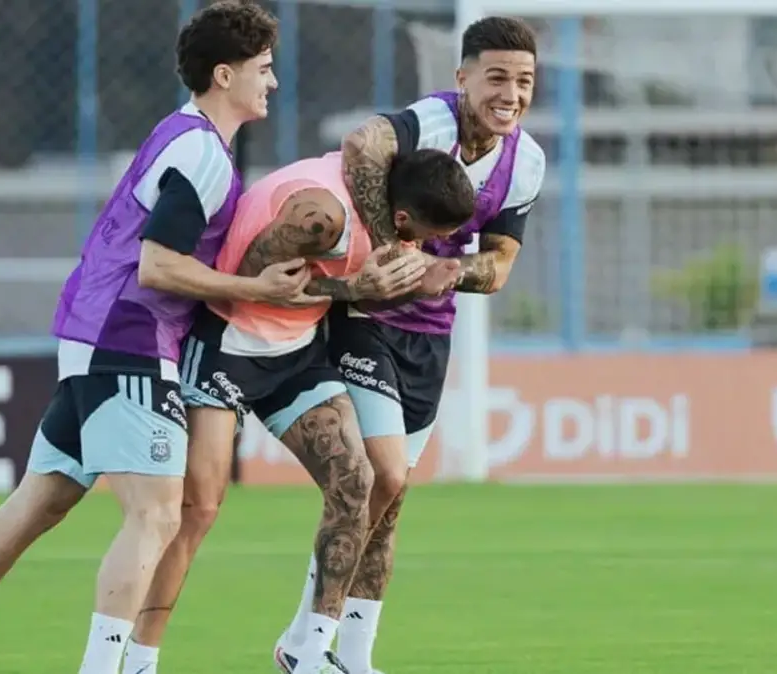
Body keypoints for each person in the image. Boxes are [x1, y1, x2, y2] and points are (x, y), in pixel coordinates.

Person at [0, 3, 296, 673]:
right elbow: (158, 263)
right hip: (129, 340)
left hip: (92, 334)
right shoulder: (201, 153)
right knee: (157, 517)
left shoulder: (181, 135)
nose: (272, 82)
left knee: (40, 499)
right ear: (225, 74)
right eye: (264, 69)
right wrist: (259, 290)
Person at [119, 148, 478, 674]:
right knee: (197, 513)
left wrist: (399, 286)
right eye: (422, 234)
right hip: (227, 348)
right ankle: (139, 661)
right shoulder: (322, 215)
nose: (420, 246)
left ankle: (307, 651)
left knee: (358, 482)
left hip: (295, 355)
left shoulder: (376, 203)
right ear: (402, 218)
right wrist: (355, 289)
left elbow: (334, 287)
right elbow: (252, 280)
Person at [273, 16, 548, 674]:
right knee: (382, 476)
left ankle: (354, 655)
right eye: (497, 78)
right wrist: (388, 248)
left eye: (525, 81)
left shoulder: (526, 162)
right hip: (366, 320)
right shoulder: (430, 123)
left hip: (432, 337)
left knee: (391, 502)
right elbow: (360, 147)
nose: (511, 93)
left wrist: (454, 270)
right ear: (462, 78)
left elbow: (500, 266)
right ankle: (308, 649)